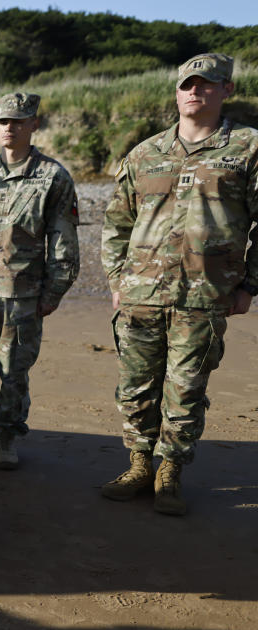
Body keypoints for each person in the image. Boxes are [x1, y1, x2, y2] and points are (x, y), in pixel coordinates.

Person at [100, 53, 258, 515]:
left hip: (205, 295)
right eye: (188, 83)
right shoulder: (145, 153)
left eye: (207, 84)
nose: (195, 91)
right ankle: (138, 464)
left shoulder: (248, 148)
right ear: (176, 91)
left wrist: (250, 284)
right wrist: (115, 277)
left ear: (226, 90)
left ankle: (170, 470)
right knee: (135, 386)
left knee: (186, 388)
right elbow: (116, 221)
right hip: (140, 294)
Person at [0, 92, 79, 470]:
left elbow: (63, 239)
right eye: (3, 122)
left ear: (34, 125)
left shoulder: (52, 177)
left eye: (18, 121)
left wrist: (54, 291)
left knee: (13, 371)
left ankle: (6, 435)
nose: (9, 128)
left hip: (19, 294)